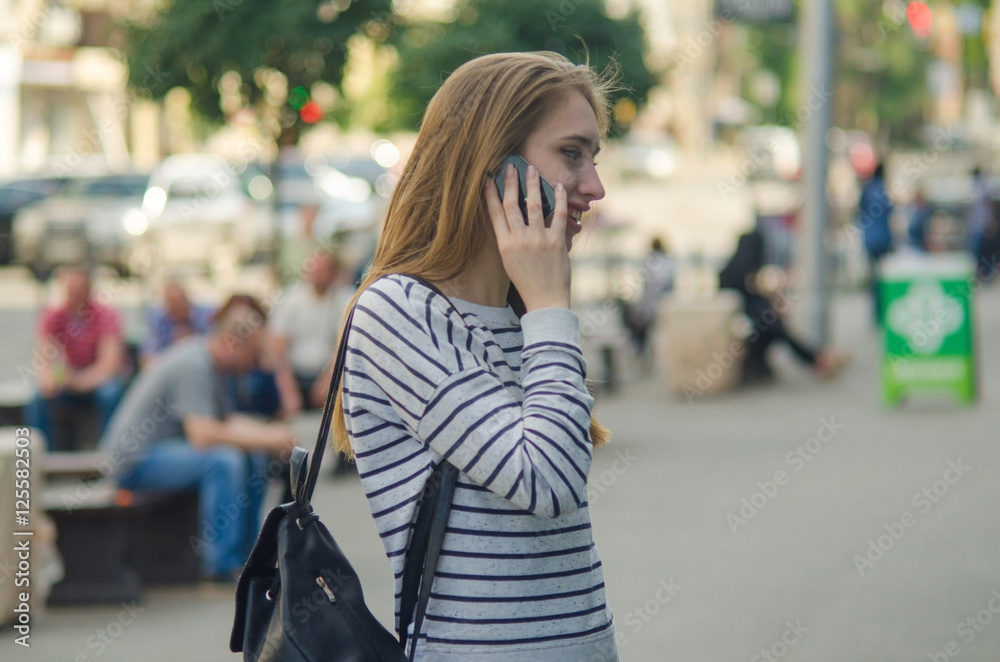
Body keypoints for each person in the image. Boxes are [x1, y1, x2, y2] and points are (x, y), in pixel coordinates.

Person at [329, 52, 619, 661]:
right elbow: (550, 481)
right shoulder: (400, 312)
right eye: (571, 154)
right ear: (494, 165)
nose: (594, 186)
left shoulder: (521, 314)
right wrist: (547, 302)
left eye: (594, 158)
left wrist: (538, 306)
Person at [99, 294, 297, 582]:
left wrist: (270, 434)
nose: (254, 363)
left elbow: (226, 422)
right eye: (252, 354)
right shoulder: (195, 366)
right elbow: (203, 435)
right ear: (233, 343)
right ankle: (220, 566)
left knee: (251, 453)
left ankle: (251, 554)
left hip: (164, 452)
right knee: (224, 461)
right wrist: (268, 438)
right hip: (134, 461)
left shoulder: (212, 364)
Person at [719, 230, 848, 384]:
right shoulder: (741, 276)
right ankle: (819, 360)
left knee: (777, 327)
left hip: (750, 326)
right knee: (778, 329)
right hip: (745, 328)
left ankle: (818, 359)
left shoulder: (734, 273)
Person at [26, 265, 126, 449]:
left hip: (95, 381)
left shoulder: (106, 315)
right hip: (67, 381)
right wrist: (51, 381)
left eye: (79, 291)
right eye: (71, 291)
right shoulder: (53, 317)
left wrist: (78, 381)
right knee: (38, 399)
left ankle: (111, 452)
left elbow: (108, 366)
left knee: (110, 393)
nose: (75, 296)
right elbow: (44, 361)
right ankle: (41, 456)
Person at [270, 248, 355, 414]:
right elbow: (278, 347)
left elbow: (346, 347)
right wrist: (288, 390)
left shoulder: (345, 300)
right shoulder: (291, 298)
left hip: (329, 377)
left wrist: (329, 382)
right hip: (295, 377)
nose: (318, 273)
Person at [622, 236, 675, 362]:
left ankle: (641, 351)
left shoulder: (650, 262)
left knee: (638, 323)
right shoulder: (669, 262)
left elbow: (649, 288)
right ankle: (644, 351)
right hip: (663, 304)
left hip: (653, 305)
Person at [139, 280, 215, 366]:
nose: (177, 308)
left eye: (180, 302)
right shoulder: (158, 320)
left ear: (186, 299)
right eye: (172, 304)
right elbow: (147, 354)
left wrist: (192, 340)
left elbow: (214, 346)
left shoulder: (205, 316)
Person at [856, 162, 894, 324]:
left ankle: (875, 314)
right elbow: (890, 212)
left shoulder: (867, 189)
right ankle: (884, 310)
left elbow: (859, 211)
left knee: (873, 279)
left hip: (870, 240)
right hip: (884, 239)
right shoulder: (883, 191)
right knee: (884, 278)